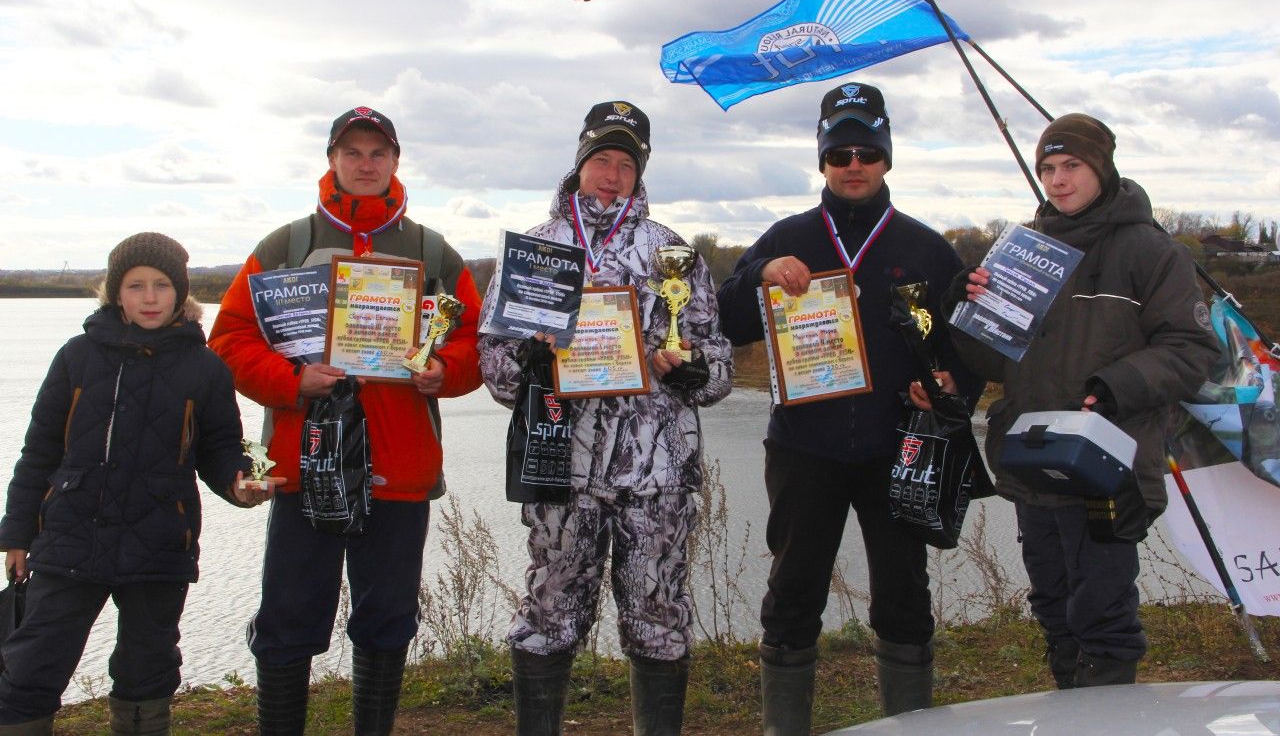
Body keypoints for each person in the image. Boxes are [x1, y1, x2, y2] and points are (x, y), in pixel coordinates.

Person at [208, 107, 482, 734]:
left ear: (394, 163)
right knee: (287, 619)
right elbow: (228, 342)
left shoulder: (431, 250)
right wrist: (290, 380)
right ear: (332, 160)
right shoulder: (283, 247)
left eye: (377, 153)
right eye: (352, 152)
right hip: (306, 466)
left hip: (400, 467)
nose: (365, 164)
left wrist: (444, 371)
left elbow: (474, 343)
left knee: (387, 620)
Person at [716, 82, 979, 730]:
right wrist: (758, 277)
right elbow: (722, 319)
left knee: (904, 599)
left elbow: (962, 354)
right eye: (840, 154)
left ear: (886, 157)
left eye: (866, 151)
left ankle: (910, 723)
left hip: (899, 447)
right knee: (794, 593)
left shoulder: (925, 248)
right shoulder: (789, 236)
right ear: (822, 162)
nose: (853, 164)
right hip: (806, 447)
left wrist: (949, 393)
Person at [935, 113, 1218, 688]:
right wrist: (961, 313)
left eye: (1071, 167)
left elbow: (1193, 350)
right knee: (1054, 607)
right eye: (1047, 169)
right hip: (1033, 458)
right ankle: (1071, 703)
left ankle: (1108, 714)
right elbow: (992, 364)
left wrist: (1118, 385)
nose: (1057, 181)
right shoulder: (1020, 250)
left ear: (1102, 168)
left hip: (1108, 464)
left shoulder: (1150, 249)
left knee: (1103, 613)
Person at [478, 101, 733, 735]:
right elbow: (495, 366)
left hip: (658, 474)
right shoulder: (535, 252)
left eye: (626, 162)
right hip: (560, 465)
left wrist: (697, 370)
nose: (612, 174)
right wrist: (534, 363)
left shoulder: (674, 252)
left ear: (640, 171)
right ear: (580, 162)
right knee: (549, 614)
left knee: (658, 617)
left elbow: (719, 359)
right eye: (601, 159)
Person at [0, 232, 280, 735]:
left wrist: (241, 484)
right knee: (32, 665)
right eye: (135, 286)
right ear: (115, 292)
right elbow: (38, 452)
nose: (150, 298)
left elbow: (221, 450)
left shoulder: (206, 368)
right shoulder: (76, 357)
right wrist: (16, 534)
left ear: (180, 293)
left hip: (159, 542)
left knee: (147, 669)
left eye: (161, 285)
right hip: (68, 539)